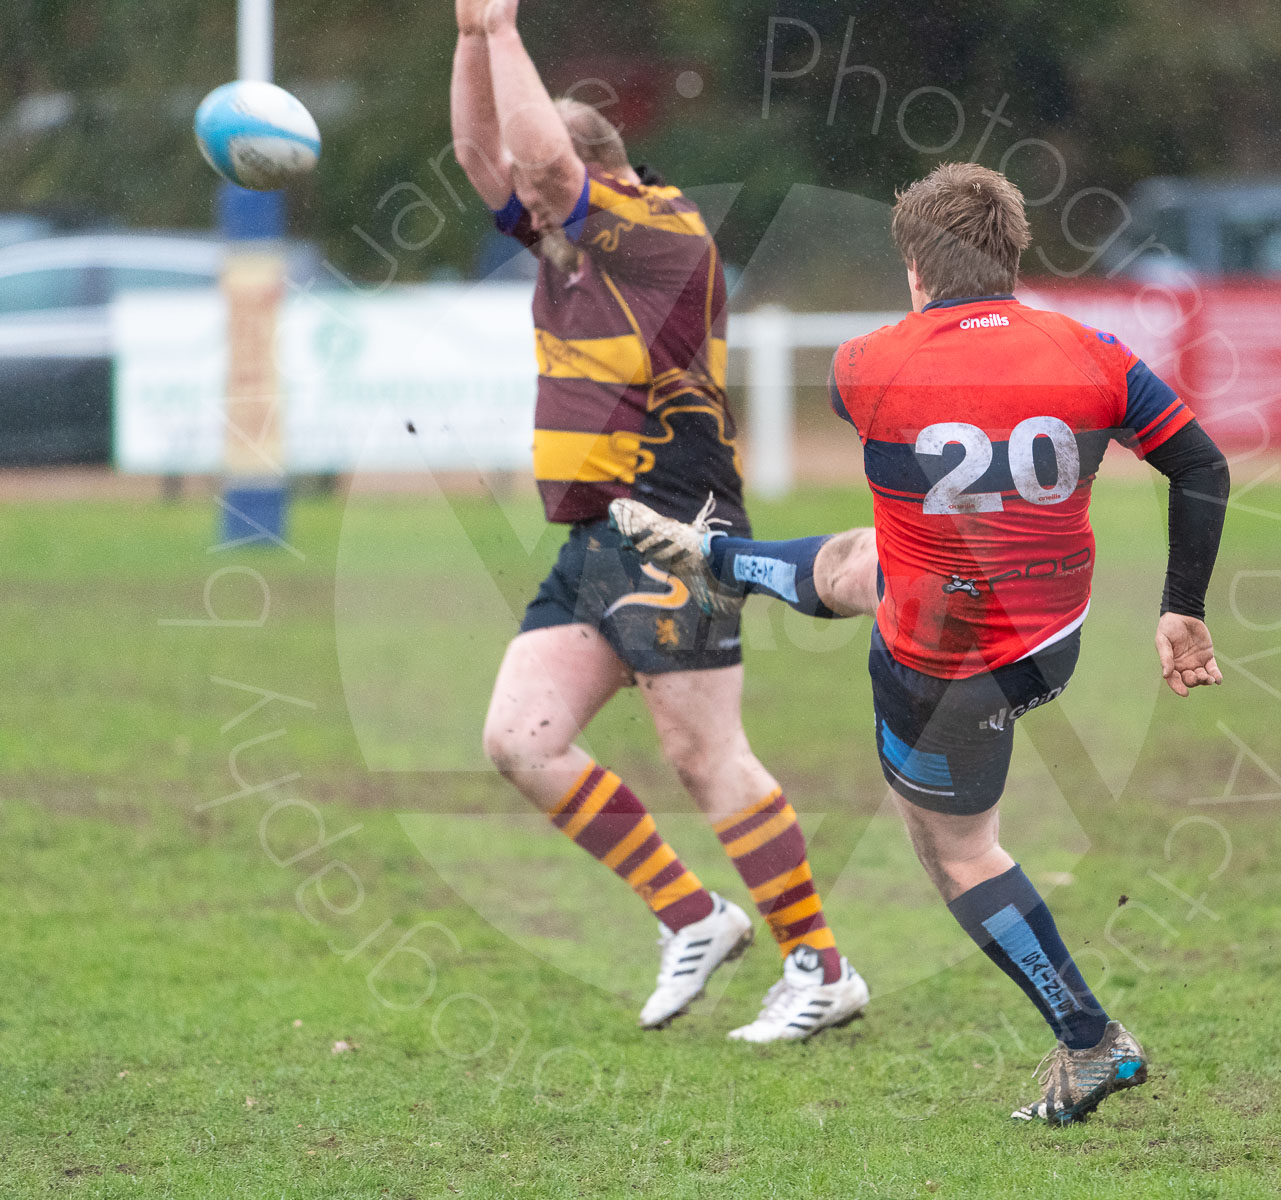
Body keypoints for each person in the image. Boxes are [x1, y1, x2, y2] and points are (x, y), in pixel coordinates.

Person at [612, 161, 1231, 1121]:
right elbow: (1200, 465)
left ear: (914, 263)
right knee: (868, 559)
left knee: (956, 851)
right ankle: (725, 562)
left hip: (944, 667)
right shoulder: (1092, 352)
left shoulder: (868, 364)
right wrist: (1181, 602)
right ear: (1015, 252)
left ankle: (1091, 1041)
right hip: (1050, 633)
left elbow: (879, 415)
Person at [448, 0, 868, 1040]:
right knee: (521, 739)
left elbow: (538, 172)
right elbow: (479, 155)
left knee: (704, 754)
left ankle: (821, 968)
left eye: (540, 195)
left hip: (677, 522)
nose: (523, 214)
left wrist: (505, 35)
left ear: (590, 177)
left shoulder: (654, 231)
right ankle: (694, 915)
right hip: (593, 538)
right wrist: (468, 37)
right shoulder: (566, 247)